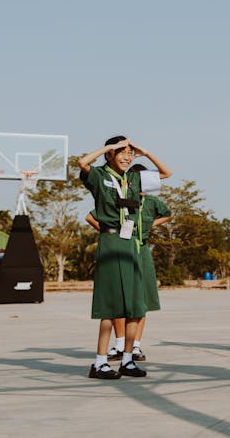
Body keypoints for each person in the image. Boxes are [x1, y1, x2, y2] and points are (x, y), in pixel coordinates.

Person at [78, 136, 172, 379]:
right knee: (110, 306)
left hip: (131, 241)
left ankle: (128, 360)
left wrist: (145, 152)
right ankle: (99, 363)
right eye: (122, 152)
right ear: (110, 154)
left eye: (130, 153)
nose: (127, 157)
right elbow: (82, 163)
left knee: (134, 305)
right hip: (110, 241)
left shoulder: (133, 178)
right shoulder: (100, 176)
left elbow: (166, 173)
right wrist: (107, 148)